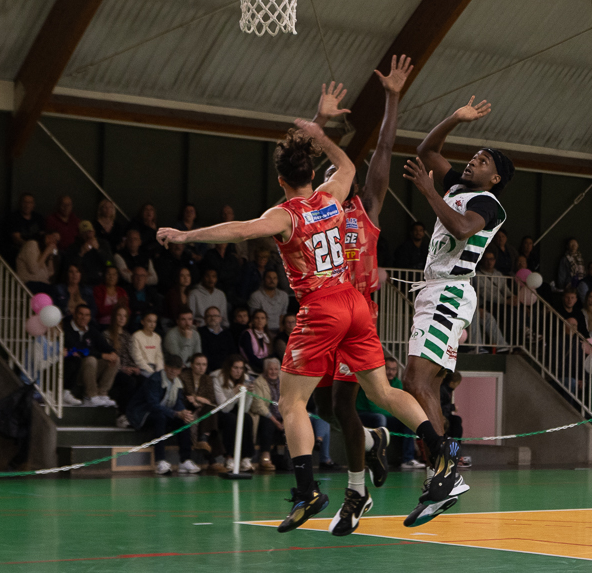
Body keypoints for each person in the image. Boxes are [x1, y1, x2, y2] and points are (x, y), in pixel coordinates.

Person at [157, 115, 453, 534]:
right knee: (383, 392)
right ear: (313, 175)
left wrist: (186, 237)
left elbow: (240, 231)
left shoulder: (285, 214)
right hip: (355, 303)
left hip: (321, 308)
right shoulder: (333, 195)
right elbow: (348, 166)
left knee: (292, 403)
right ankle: (441, 452)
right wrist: (320, 134)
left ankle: (307, 490)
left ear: (280, 180)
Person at [399, 93, 514, 524]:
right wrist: (454, 117)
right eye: (474, 156)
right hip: (436, 292)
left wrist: (429, 192)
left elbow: (462, 227)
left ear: (496, 177)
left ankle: (445, 473)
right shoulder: (460, 187)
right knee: (421, 385)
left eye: (483, 161)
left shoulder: (489, 204)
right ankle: (444, 473)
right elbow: (426, 150)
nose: (473, 162)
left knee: (417, 381)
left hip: (448, 293)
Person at [308, 60, 411, 531]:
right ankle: (373, 442)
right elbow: (293, 160)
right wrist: (321, 121)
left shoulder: (366, 206)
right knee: (325, 406)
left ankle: (355, 494)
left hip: (357, 317)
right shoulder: (315, 209)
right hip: (322, 314)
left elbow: (385, 147)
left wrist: (391, 97)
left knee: (343, 406)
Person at [126, 353, 200, 475]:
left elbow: (178, 402)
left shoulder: (177, 383)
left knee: (184, 421)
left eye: (176, 368)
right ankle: (160, 461)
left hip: (164, 413)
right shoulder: (155, 379)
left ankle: (185, 460)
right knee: (160, 418)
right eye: (170, 367)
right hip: (142, 413)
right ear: (165, 367)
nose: (172, 370)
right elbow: (153, 405)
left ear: (180, 370)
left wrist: (183, 412)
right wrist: (176, 413)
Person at [356, 356, 422, 470]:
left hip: (386, 415)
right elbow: (374, 407)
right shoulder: (374, 381)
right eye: (388, 368)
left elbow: (400, 404)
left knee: (407, 421)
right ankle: (379, 458)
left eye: (393, 369)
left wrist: (401, 415)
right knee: (380, 418)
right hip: (365, 414)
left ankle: (408, 459)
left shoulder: (397, 383)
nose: (391, 372)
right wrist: (395, 412)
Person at [62, 304, 118, 407]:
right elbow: (77, 349)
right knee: (91, 359)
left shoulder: (91, 330)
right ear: (75, 315)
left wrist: (112, 352)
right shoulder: (67, 328)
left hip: (91, 371)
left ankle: (102, 394)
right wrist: (101, 355)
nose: (84, 317)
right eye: (81, 314)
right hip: (74, 369)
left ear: (90, 317)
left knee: (116, 359)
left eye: (87, 315)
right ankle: (90, 396)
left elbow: (105, 346)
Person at [212, 355, 256, 472]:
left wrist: (249, 395)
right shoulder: (218, 379)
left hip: (238, 410)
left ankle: (246, 458)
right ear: (229, 368)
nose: (238, 371)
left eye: (241, 368)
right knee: (230, 419)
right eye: (235, 368)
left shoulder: (246, 379)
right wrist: (234, 392)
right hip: (221, 412)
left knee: (247, 418)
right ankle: (229, 457)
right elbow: (224, 408)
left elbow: (245, 409)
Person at [179, 352, 223, 470]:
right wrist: (198, 401)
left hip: (203, 411)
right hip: (188, 409)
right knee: (209, 420)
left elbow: (211, 400)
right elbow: (185, 397)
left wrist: (196, 398)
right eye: (198, 364)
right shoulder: (184, 376)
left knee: (210, 412)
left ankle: (203, 440)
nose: (201, 367)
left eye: (204, 364)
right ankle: (212, 461)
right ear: (192, 365)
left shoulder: (207, 379)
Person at [103, 305, 142, 422]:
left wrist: (135, 367)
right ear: (114, 317)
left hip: (128, 367)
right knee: (129, 382)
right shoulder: (106, 334)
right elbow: (108, 357)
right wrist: (122, 368)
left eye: (124, 316)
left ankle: (136, 414)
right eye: (119, 315)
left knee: (143, 380)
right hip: (114, 369)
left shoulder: (128, 335)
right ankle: (122, 413)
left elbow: (131, 355)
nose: (121, 318)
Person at [251, 357, 288, 472]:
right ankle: (265, 456)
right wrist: (276, 421)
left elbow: (289, 401)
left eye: (276, 369)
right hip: (267, 416)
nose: (273, 372)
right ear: (266, 370)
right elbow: (259, 405)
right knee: (267, 424)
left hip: (283, 416)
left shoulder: (284, 382)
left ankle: (295, 460)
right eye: (270, 369)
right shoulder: (259, 382)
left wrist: (285, 419)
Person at [248, 270, 289, 337]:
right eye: (269, 278)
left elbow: (283, 314)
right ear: (264, 279)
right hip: (263, 330)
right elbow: (254, 317)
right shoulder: (256, 295)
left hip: (279, 330)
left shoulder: (284, 295)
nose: (272, 280)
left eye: (274, 278)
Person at [199, 305, 238, 372]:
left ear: (220, 318)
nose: (212, 318)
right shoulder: (200, 333)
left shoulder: (227, 334)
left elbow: (232, 353)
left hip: (227, 370)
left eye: (215, 316)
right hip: (209, 370)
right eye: (209, 316)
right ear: (204, 319)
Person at [7, 192, 43, 259]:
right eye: (25, 202)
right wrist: (29, 247)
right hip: (20, 250)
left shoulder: (38, 218)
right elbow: (16, 238)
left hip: (38, 250)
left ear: (33, 205)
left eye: (30, 203)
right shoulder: (13, 217)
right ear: (20, 203)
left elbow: (42, 235)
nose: (27, 205)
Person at [125, 266, 162, 331]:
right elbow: (130, 307)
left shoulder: (152, 291)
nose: (139, 278)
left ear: (146, 279)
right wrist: (147, 306)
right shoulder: (126, 291)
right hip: (131, 324)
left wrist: (138, 307)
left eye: (142, 276)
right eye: (137, 275)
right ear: (132, 278)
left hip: (149, 323)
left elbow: (158, 308)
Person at [131, 311, 164, 376]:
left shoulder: (157, 337)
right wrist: (151, 371)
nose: (152, 324)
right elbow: (137, 358)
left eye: (154, 322)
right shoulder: (136, 336)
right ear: (142, 322)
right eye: (149, 321)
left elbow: (159, 356)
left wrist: (159, 370)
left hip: (155, 369)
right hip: (142, 369)